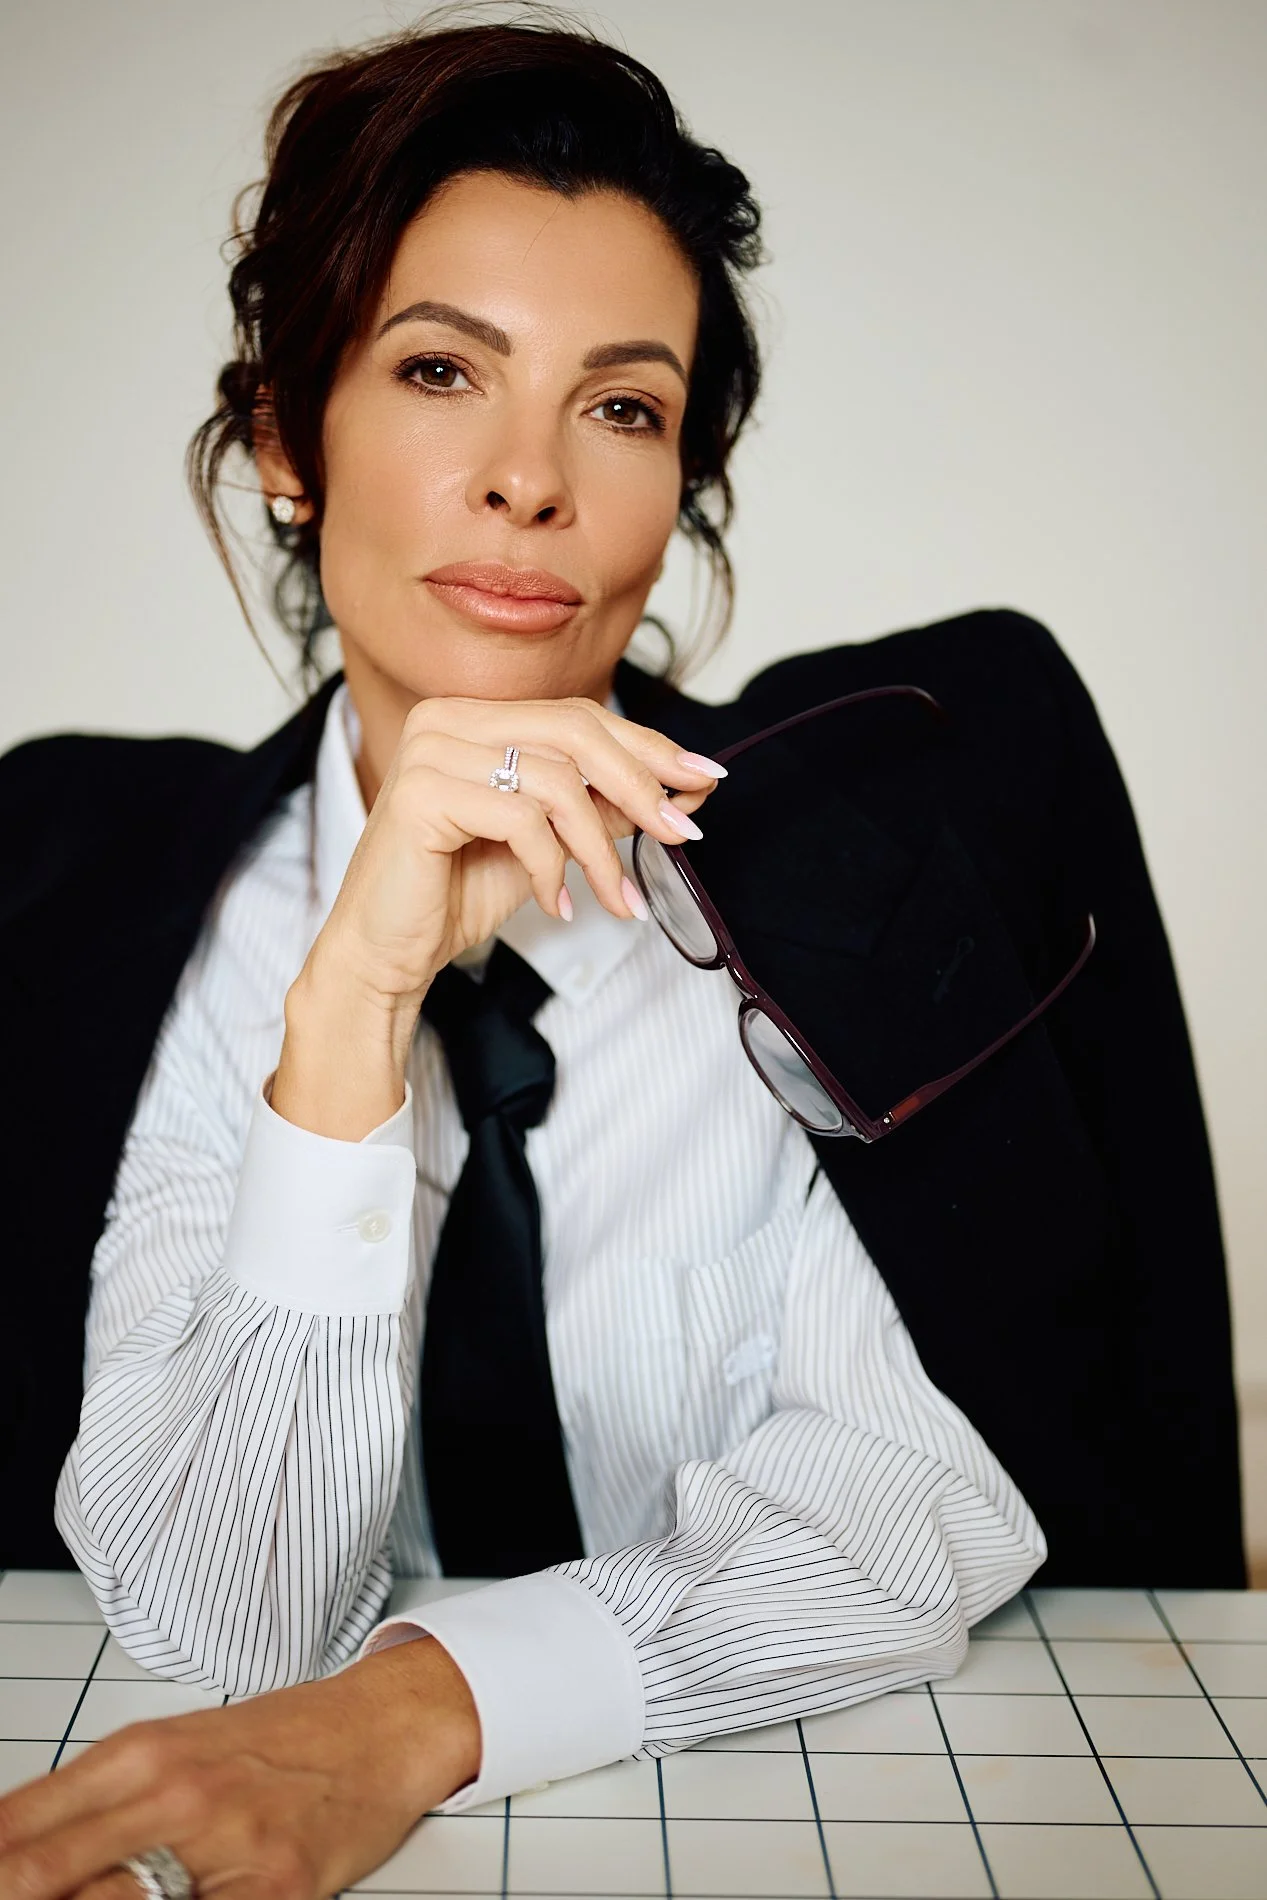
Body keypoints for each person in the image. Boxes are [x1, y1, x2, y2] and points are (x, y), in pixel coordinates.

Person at [0, 11, 1242, 1900]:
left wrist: (414, 1714)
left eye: (623, 404)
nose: (528, 483)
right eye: (439, 371)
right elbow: (224, 1619)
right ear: (283, 439)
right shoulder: (95, 894)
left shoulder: (860, 878)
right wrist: (350, 1004)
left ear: (684, 479)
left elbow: (919, 1497)